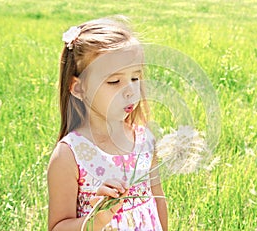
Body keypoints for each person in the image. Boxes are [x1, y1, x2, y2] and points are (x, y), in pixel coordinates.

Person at [47, 16, 168, 231]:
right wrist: (97, 220)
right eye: (114, 81)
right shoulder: (70, 155)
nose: (130, 90)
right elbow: (58, 227)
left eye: (135, 78)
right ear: (78, 88)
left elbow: (158, 201)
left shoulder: (144, 140)